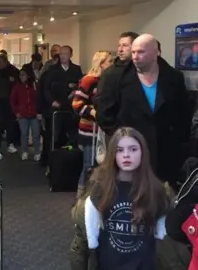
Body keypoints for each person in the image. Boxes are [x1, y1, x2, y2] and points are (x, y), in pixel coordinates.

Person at [96, 34, 192, 189]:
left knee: (164, 199)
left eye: (140, 52)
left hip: (166, 153)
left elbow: (183, 113)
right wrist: (122, 138)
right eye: (133, 52)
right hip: (130, 151)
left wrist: (179, 141)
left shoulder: (174, 78)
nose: (135, 57)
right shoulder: (115, 77)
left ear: (156, 53)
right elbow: (104, 113)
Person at [82, 127, 169, 269]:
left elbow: (162, 235)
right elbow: (88, 235)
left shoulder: (156, 190)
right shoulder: (102, 188)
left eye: (133, 149)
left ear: (143, 153)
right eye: (119, 150)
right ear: (112, 154)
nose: (126, 155)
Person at [72, 51, 113, 198]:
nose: (112, 64)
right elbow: (76, 103)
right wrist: (94, 112)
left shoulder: (108, 80)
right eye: (109, 61)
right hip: (90, 129)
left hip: (103, 130)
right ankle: (82, 197)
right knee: (89, 165)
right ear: (101, 63)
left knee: (101, 164)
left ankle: (97, 196)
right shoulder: (89, 80)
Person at [10, 69, 41, 161]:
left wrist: (39, 111)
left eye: (23, 75)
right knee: (24, 134)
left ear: (28, 76)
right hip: (22, 114)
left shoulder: (34, 86)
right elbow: (12, 101)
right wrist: (16, 112)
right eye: (20, 75)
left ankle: (37, 152)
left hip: (34, 113)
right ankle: (25, 152)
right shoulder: (17, 87)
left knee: (36, 134)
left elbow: (38, 99)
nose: (21, 77)